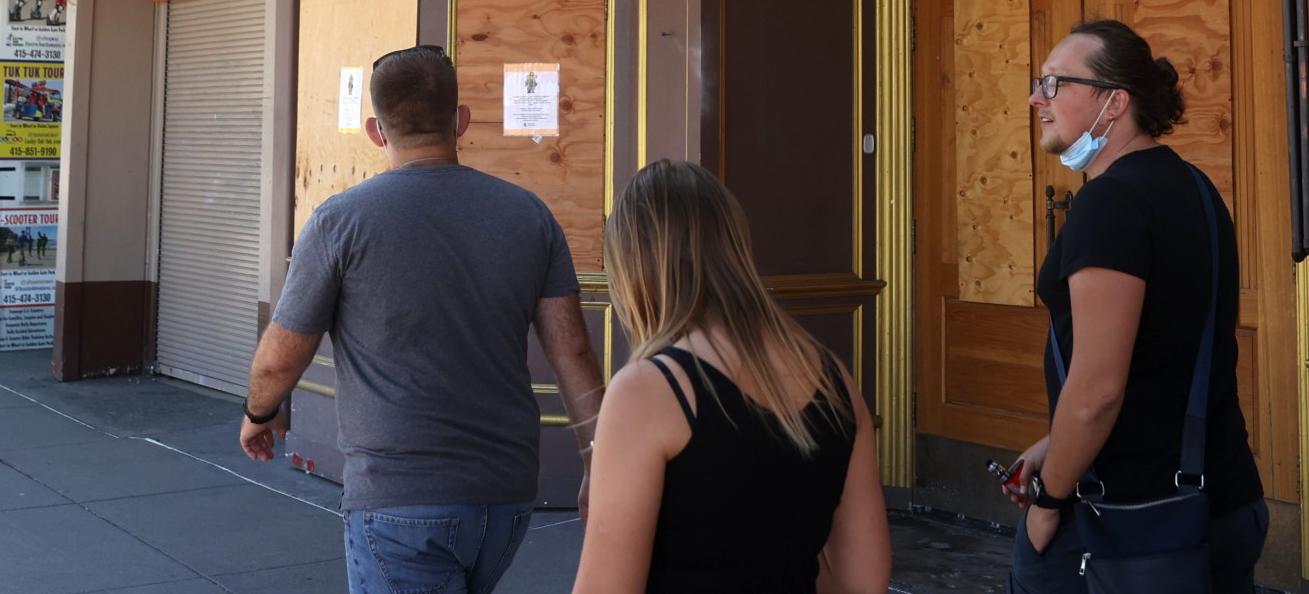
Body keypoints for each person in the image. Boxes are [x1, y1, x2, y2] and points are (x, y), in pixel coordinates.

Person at [239, 45, 606, 594]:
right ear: (460, 121)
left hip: (399, 501)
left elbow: (279, 357)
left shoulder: (339, 222)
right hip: (507, 497)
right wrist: (598, 461)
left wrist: (259, 412)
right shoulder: (529, 215)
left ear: (375, 130)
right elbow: (572, 352)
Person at [1006, 20, 1267, 594]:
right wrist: (1055, 444)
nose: (1036, 98)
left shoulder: (1111, 203)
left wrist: (1049, 501)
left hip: (1126, 521)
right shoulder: (1192, 185)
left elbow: (1099, 388)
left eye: (1054, 84)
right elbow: (1164, 354)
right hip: (1219, 498)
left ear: (1114, 102)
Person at [571, 160, 890, 594]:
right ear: (735, 246)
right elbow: (863, 582)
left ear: (634, 271)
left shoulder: (647, 392)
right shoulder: (836, 381)